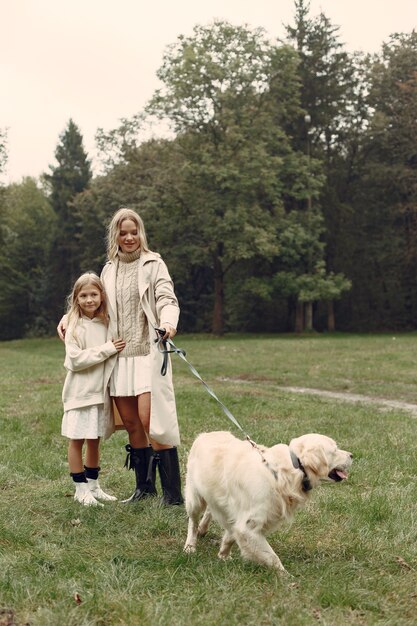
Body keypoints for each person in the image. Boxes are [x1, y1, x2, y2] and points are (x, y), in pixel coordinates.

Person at [59, 207, 183, 505]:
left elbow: (167, 298)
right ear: (115, 235)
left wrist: (168, 323)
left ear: (141, 233)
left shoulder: (154, 264)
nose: (129, 238)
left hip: (147, 354)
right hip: (118, 357)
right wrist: (67, 318)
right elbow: (93, 304)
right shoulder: (108, 269)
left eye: (134, 232)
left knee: (152, 419)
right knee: (130, 423)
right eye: (123, 233)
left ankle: (173, 494)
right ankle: (144, 487)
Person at [62, 272, 126, 506]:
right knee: (77, 440)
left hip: (101, 393)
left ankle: (93, 485)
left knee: (94, 439)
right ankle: (80, 489)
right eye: (83, 295)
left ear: (101, 296)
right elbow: (75, 360)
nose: (89, 300)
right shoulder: (74, 325)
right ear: (76, 299)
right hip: (80, 394)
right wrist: (107, 349)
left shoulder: (107, 322)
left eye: (93, 294)